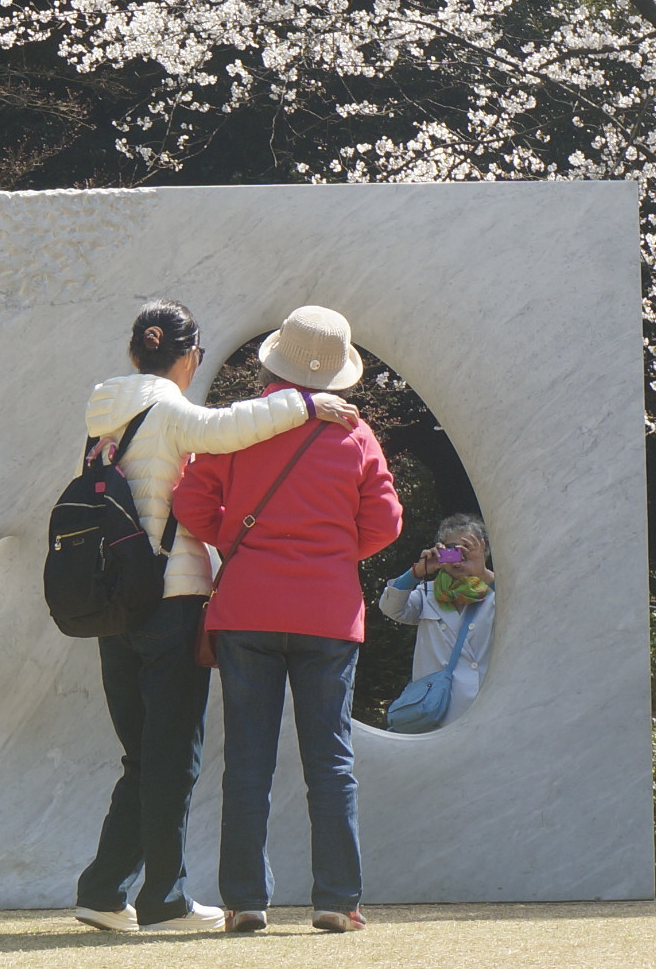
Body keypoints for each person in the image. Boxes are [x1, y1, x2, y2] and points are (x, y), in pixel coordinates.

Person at [74, 299, 361, 934]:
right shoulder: (173, 412)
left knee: (141, 757)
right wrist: (310, 404)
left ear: (133, 352)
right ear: (190, 356)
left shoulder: (103, 413)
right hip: (170, 599)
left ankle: (102, 891)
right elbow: (229, 428)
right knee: (173, 754)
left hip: (112, 602)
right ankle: (165, 901)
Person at [171, 305, 404, 935]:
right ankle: (337, 900)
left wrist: (238, 541)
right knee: (330, 759)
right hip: (328, 613)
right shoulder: (355, 434)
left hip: (246, 608)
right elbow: (385, 522)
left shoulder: (246, 425)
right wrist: (328, 554)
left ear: (276, 360)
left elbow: (189, 496)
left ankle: (246, 901)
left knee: (248, 758)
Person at [378, 513, 497, 726]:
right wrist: (416, 573)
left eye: (467, 549)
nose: (459, 558)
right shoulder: (428, 594)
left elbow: (526, 605)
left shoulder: (497, 593)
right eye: (452, 550)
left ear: (483, 549)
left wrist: (482, 573)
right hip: (437, 713)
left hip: (486, 712)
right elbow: (390, 608)